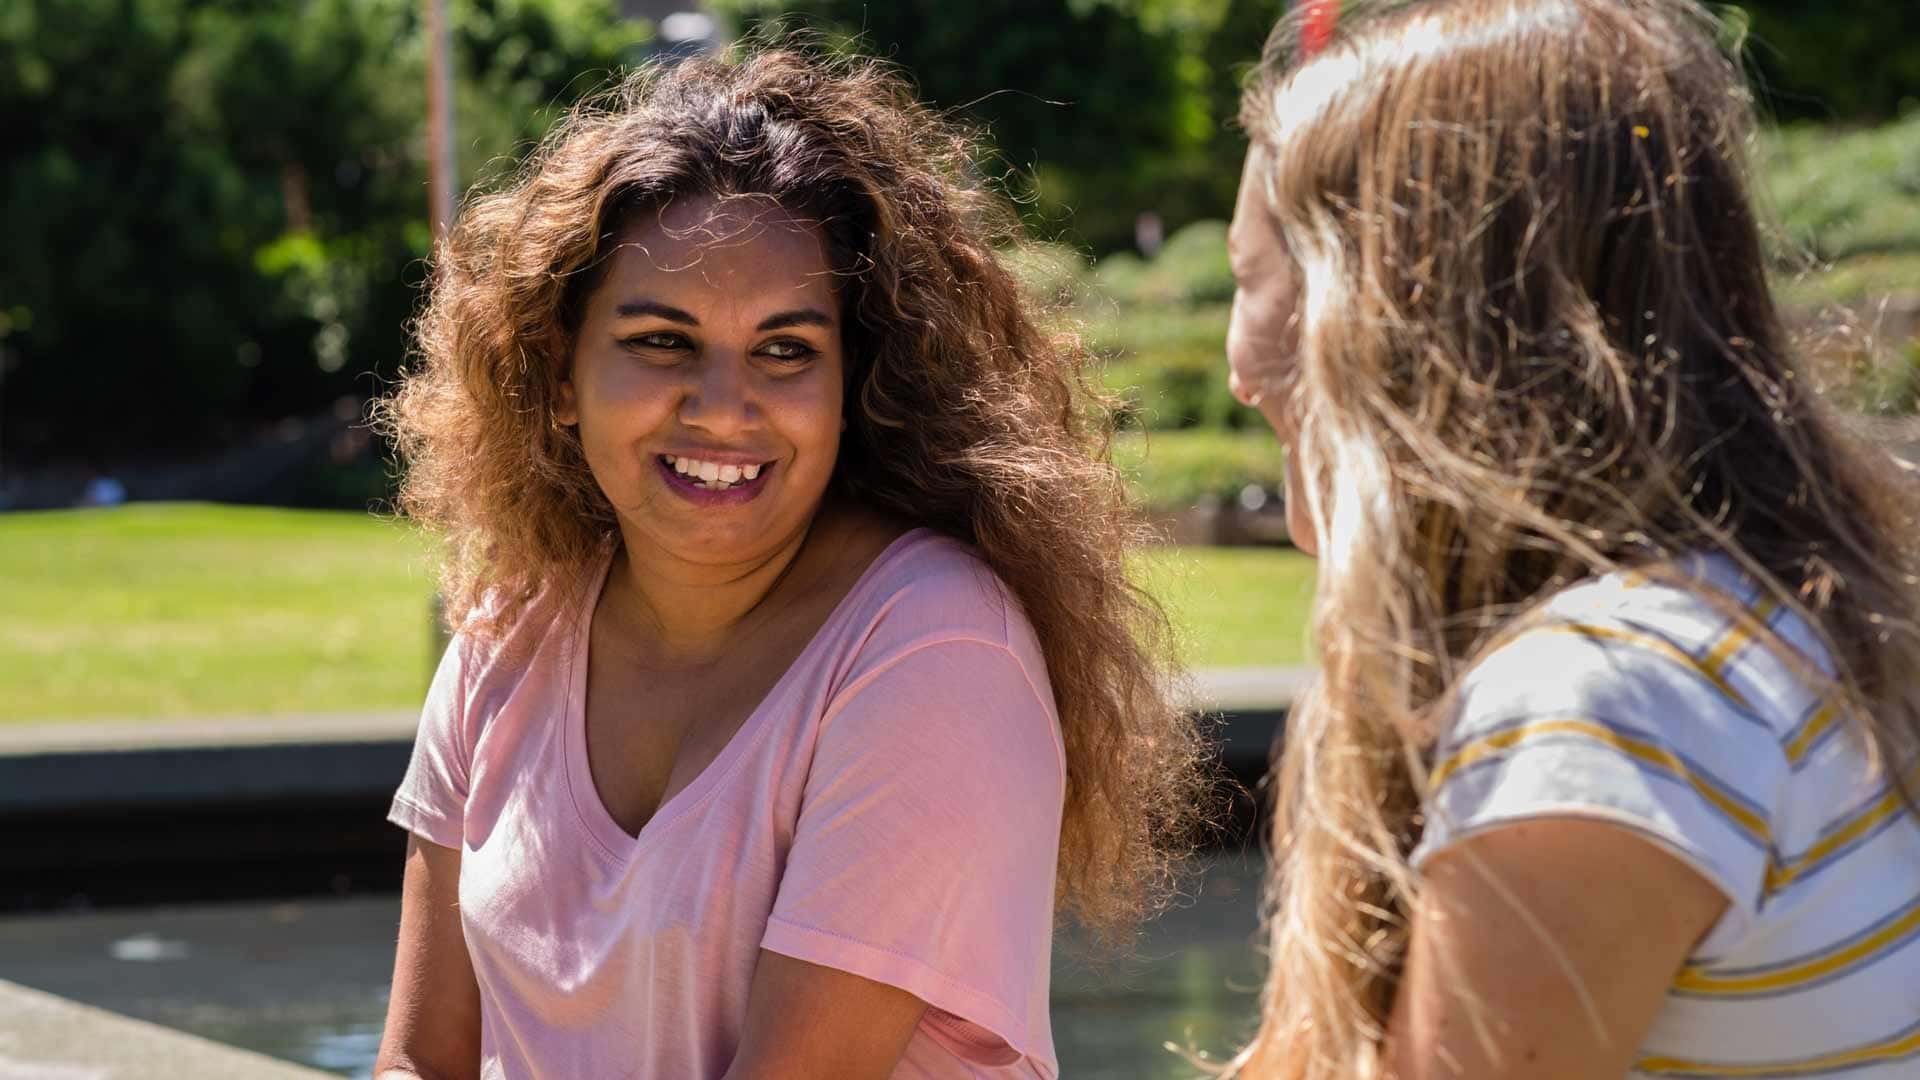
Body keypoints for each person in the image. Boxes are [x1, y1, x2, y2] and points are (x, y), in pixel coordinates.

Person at [371, 49, 1209, 1080]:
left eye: (784, 350)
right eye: (662, 339)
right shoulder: (510, 630)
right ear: (558, 376)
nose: (724, 407)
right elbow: (418, 1061)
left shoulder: (936, 651)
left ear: (854, 385)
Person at [1221, 1, 1920, 1077]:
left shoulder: (1607, 704)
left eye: (1251, 279)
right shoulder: (1751, 634)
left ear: (1384, 312)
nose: (1238, 362)